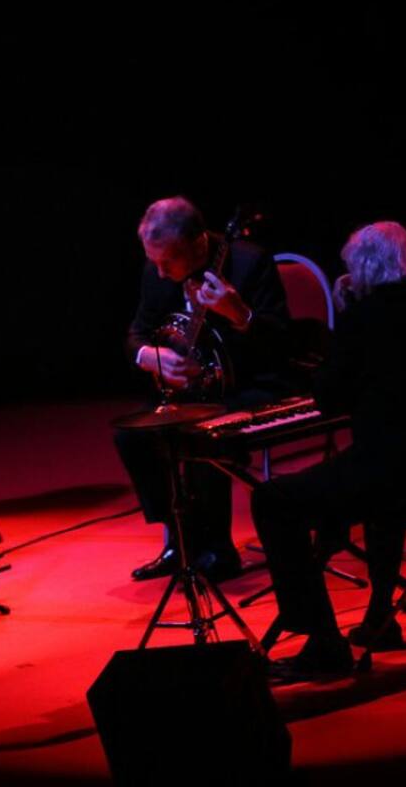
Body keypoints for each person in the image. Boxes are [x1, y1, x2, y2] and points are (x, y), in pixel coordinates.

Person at [251, 221, 406, 682]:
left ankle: (323, 643)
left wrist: (344, 318)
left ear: (361, 269)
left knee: (274, 500)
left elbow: (329, 398)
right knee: (355, 487)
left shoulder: (366, 316)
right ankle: (380, 618)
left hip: (392, 472)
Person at [115, 196, 291, 582]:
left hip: (250, 385)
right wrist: (149, 356)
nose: (160, 273)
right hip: (194, 392)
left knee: (201, 433)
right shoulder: (156, 269)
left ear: (197, 244)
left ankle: (219, 552)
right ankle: (181, 539)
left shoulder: (250, 262)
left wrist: (241, 316)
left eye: (167, 262)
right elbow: (136, 332)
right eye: (154, 262)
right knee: (132, 435)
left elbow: (281, 343)